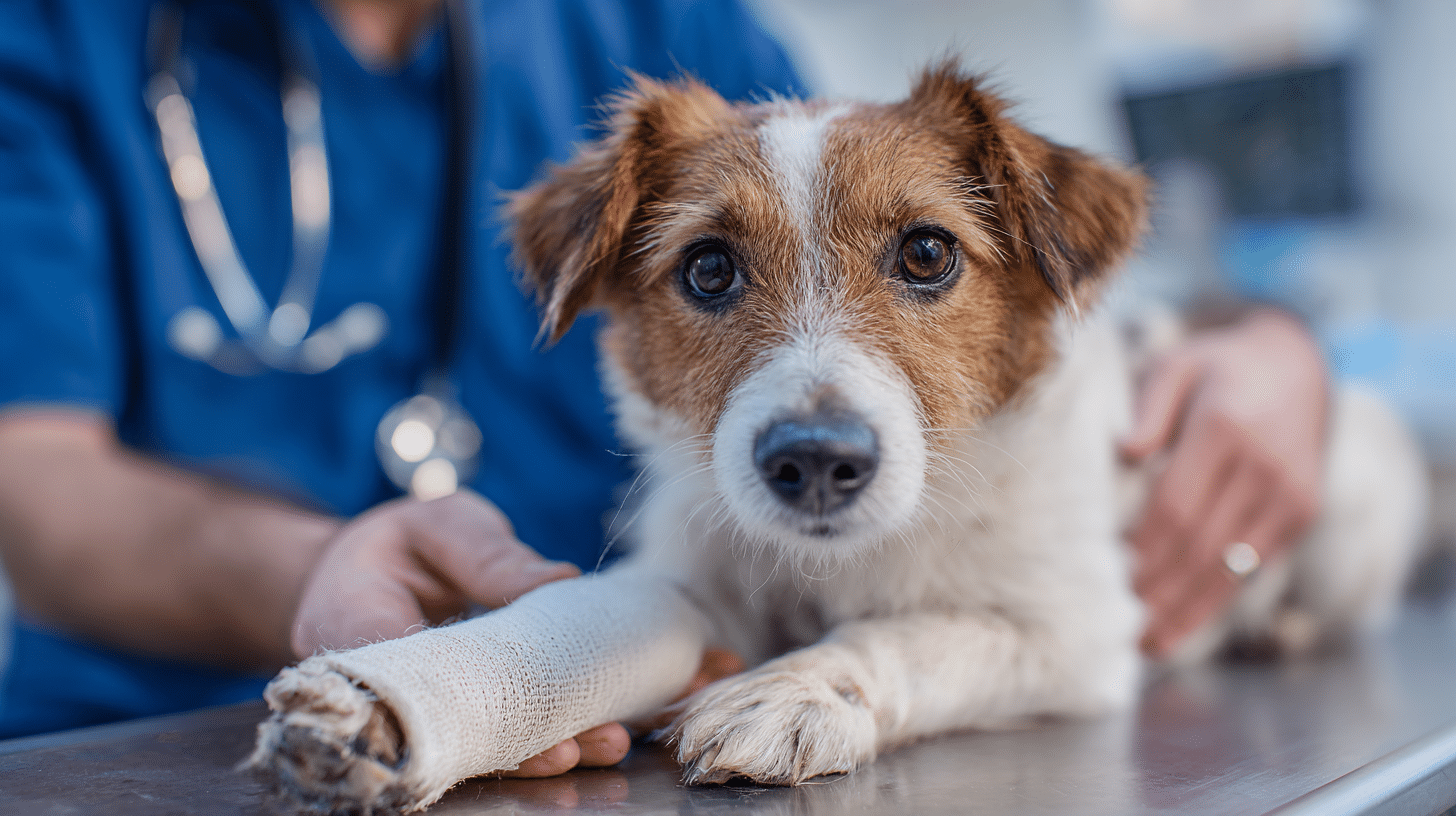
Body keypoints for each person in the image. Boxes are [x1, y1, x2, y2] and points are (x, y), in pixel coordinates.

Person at [0, 0, 1330, 772]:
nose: (815, 376)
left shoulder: (659, 19)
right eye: (706, 273)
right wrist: (319, 573)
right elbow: (34, 488)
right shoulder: (53, 39)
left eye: (922, 260)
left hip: (633, 739)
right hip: (139, 743)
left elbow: (868, 214)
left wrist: (1275, 346)